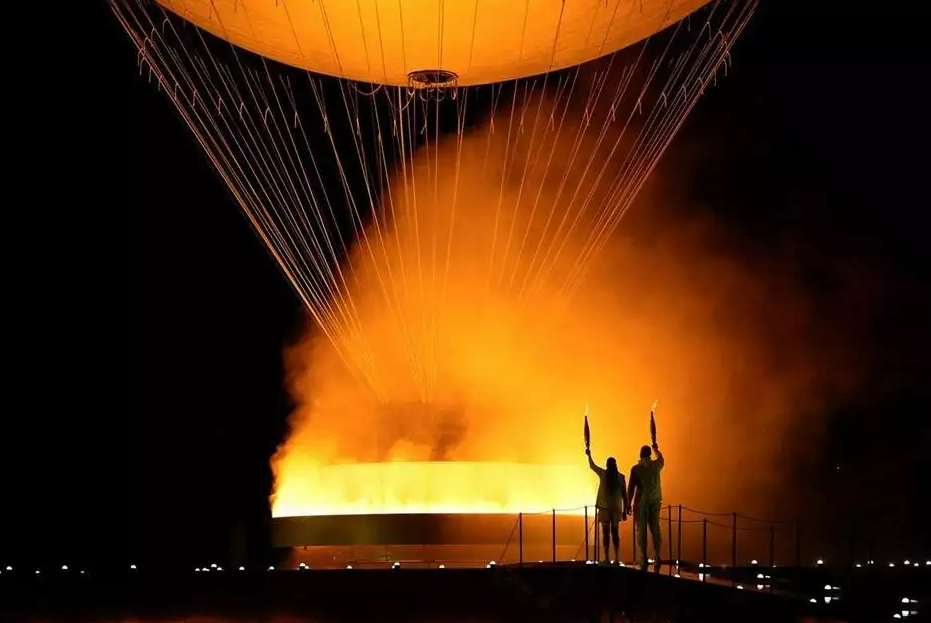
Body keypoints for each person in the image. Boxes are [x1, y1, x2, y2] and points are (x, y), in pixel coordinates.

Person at [586, 449, 629, 563]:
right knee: (615, 533)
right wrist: (625, 510)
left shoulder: (604, 474)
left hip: (605, 508)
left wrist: (589, 455)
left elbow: (592, 466)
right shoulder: (621, 477)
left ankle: (607, 557)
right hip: (615, 509)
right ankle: (615, 557)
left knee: (607, 533)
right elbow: (624, 495)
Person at [628, 443, 665, 571]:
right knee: (655, 528)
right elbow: (661, 458)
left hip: (642, 503)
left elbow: (631, 488)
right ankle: (657, 556)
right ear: (649, 454)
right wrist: (656, 449)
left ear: (640, 455)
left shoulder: (636, 469)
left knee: (641, 530)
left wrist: (628, 504)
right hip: (656, 501)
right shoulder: (656, 465)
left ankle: (643, 557)